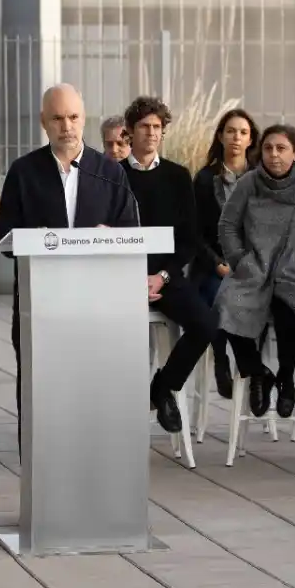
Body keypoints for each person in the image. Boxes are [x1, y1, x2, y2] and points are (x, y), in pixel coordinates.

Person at [0, 83, 139, 434]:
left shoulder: (109, 172)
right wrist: (36, 240)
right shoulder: (24, 171)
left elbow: (131, 231)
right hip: (39, 301)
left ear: (83, 118)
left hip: (95, 303)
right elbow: (3, 235)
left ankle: (91, 455)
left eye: (73, 117)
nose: (67, 126)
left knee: (91, 388)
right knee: (38, 388)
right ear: (44, 122)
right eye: (57, 118)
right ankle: (37, 463)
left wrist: (112, 237)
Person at [215, 124, 295, 420]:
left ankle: (285, 379)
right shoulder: (249, 182)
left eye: (281, 148)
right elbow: (227, 225)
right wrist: (240, 260)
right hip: (254, 267)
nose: (273, 154)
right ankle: (258, 373)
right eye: (268, 148)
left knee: (290, 304)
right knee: (225, 305)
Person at [118, 96, 217, 432]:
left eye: (157, 127)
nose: (151, 133)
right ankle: (109, 414)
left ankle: (162, 388)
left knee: (205, 324)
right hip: (121, 279)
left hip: (166, 277)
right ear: (130, 132)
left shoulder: (177, 176)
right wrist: (132, 280)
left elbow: (189, 239)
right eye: (144, 126)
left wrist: (160, 276)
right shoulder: (111, 176)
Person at [191, 109, 259, 398]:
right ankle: (224, 360)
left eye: (243, 132)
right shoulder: (205, 179)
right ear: (220, 136)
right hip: (212, 265)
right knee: (221, 294)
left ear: (250, 138)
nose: (236, 137)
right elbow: (194, 234)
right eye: (230, 131)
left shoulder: (260, 178)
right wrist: (218, 263)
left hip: (253, 265)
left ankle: (252, 369)